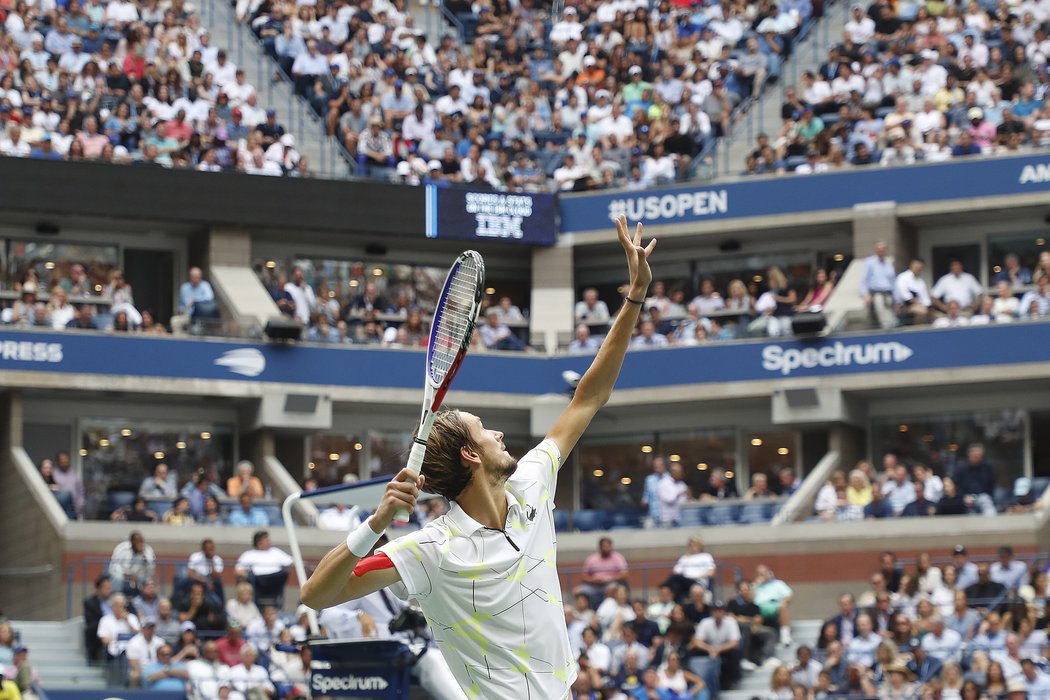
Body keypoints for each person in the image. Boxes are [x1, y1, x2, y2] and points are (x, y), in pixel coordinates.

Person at [301, 216, 658, 698]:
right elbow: (316, 594)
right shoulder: (431, 550)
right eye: (485, 430)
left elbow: (588, 398)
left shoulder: (532, 481)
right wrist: (377, 522)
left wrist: (634, 297)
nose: (500, 432)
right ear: (471, 454)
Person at [235, 531, 293, 607]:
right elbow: (238, 570)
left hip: (275, 579)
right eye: (266, 540)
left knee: (284, 574)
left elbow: (291, 561)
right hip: (258, 580)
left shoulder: (275, 551)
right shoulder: (249, 554)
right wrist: (246, 575)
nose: (269, 542)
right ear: (259, 542)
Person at [576, 537, 631, 607]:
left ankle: (606, 609)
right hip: (593, 585)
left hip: (611, 583)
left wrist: (609, 578)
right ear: (600, 547)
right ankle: (587, 612)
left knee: (611, 588)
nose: (606, 549)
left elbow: (624, 574)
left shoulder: (618, 557)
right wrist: (593, 580)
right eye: (604, 546)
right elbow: (583, 576)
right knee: (577, 591)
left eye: (608, 546)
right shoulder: (592, 559)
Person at [109, 531, 156, 596]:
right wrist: (128, 576)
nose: (141, 544)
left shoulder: (147, 550)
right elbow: (115, 566)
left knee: (148, 580)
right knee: (117, 578)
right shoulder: (122, 548)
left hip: (138, 576)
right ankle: (116, 597)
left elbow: (151, 570)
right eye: (138, 542)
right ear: (132, 542)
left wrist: (144, 556)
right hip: (122, 574)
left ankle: (142, 600)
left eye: (142, 541)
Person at [172, 267, 217, 334]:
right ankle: (181, 340)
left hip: (202, 316)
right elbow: (181, 304)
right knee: (175, 321)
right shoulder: (184, 288)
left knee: (196, 330)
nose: (196, 279)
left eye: (198, 277)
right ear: (190, 277)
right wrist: (181, 310)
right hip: (188, 316)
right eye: (194, 277)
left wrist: (195, 301)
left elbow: (209, 298)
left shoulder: (205, 285)